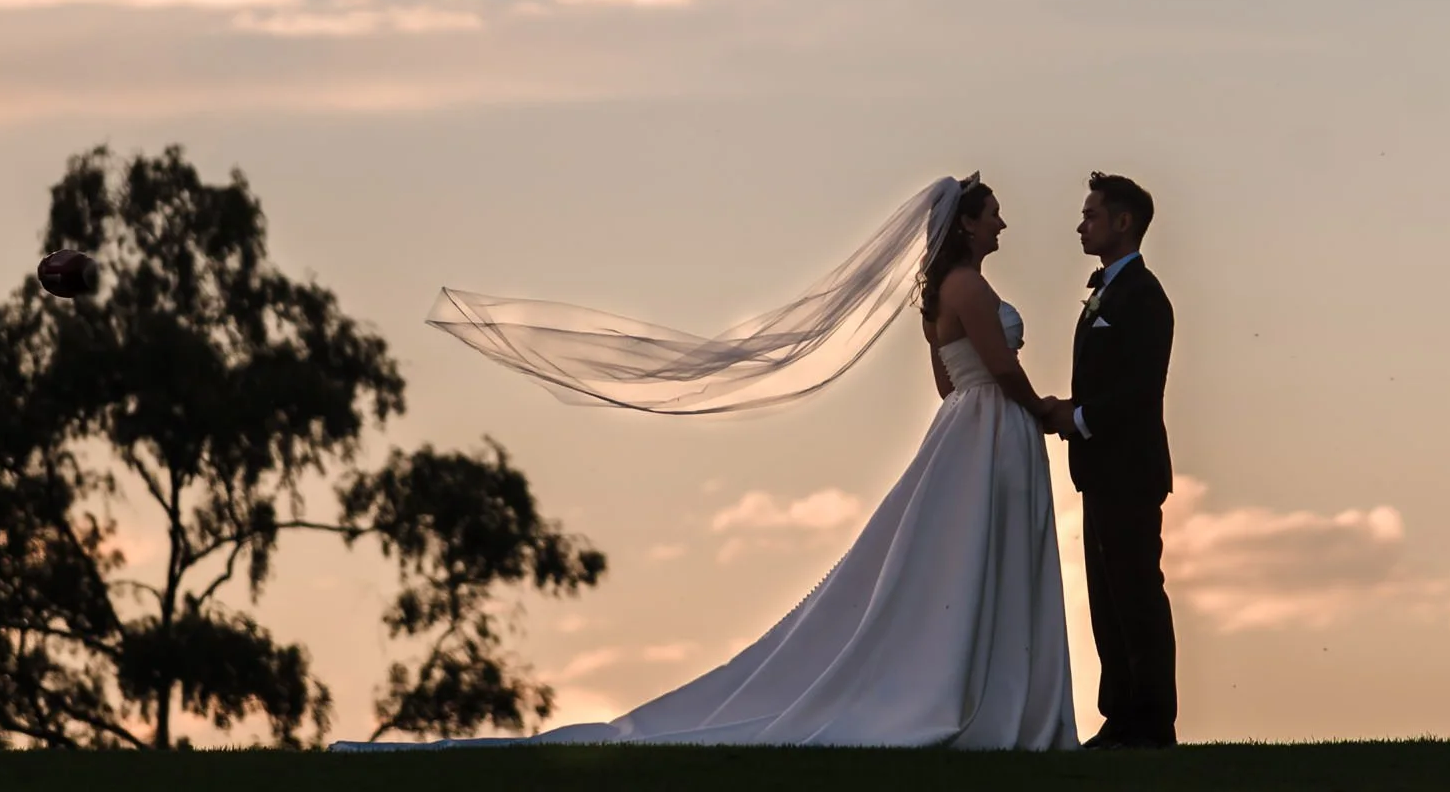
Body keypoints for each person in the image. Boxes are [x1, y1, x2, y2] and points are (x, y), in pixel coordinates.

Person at [334, 175, 1079, 751]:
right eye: (993, 211)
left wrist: (997, 407)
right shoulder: (968, 287)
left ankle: (979, 695)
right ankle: (986, 701)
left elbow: (946, 382)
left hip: (967, 427)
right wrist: (1044, 408)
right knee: (981, 560)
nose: (1002, 221)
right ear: (968, 223)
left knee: (961, 565)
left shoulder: (942, 294)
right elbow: (996, 371)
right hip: (991, 427)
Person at [1039, 172, 1178, 750]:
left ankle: (1151, 722)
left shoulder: (1143, 296)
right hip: (1100, 471)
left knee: (1137, 593)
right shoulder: (1106, 292)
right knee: (1106, 598)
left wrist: (1077, 417)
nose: (1081, 223)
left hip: (1129, 470)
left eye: (1091, 214)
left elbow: (1139, 389)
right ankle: (1120, 716)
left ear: (1124, 222)